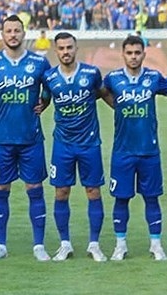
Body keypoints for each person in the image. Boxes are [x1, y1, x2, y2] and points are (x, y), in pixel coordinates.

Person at [0, 15, 52, 261]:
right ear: (2, 34)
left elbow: (49, 88)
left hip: (31, 138)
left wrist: (45, 102)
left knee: (35, 189)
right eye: (8, 31)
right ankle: (0, 246)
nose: (13, 35)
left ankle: (39, 246)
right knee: (0, 189)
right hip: (2, 138)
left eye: (17, 31)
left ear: (24, 33)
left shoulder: (39, 62)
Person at [102, 35, 167, 261]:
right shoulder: (113, 78)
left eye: (137, 53)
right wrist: (116, 105)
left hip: (149, 151)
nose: (133, 57)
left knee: (152, 198)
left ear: (144, 54)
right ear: (123, 54)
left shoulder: (154, 78)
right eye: (129, 53)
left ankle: (156, 245)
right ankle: (120, 245)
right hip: (123, 151)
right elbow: (100, 93)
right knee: (121, 199)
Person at [42, 32, 110, 262]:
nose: (66, 52)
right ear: (56, 51)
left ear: (76, 48)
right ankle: (65, 244)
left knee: (93, 192)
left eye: (69, 47)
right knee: (61, 192)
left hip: (89, 143)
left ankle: (94, 244)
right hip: (63, 144)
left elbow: (102, 93)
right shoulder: (49, 77)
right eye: (61, 48)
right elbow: (44, 100)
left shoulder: (91, 73)